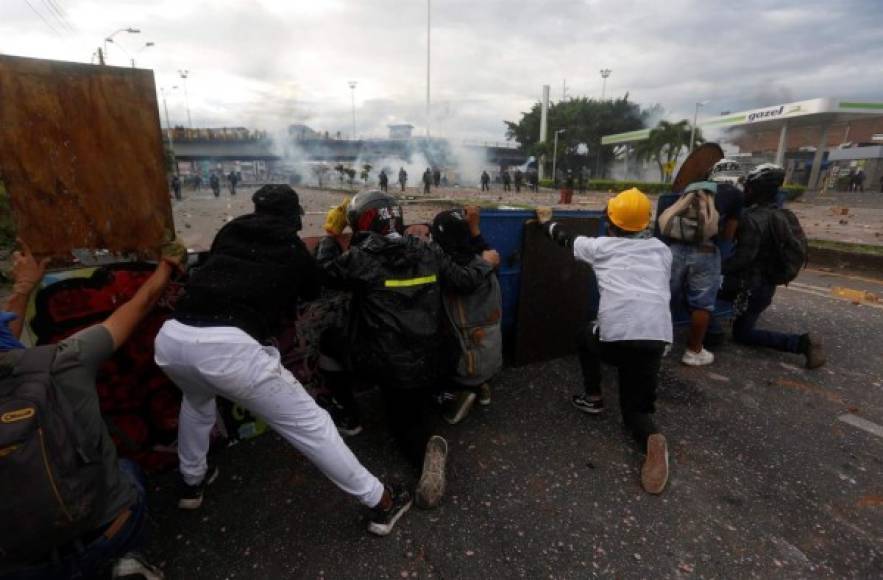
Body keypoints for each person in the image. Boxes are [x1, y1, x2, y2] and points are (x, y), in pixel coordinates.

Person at [154, 185, 412, 537]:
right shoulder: (292, 248)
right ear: (294, 217)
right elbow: (315, 288)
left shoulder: (231, 230)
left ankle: (191, 483)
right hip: (229, 349)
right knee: (313, 426)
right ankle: (381, 501)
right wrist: (333, 237)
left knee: (197, 404)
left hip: (174, 339)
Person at [0, 239, 185, 579]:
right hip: (110, 531)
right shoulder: (64, 359)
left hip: (21, 563)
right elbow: (139, 305)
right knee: (128, 468)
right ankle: (127, 558)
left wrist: (24, 289)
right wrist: (167, 265)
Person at [316, 190, 500, 509]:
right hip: (437, 357)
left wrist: (332, 236)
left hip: (391, 366)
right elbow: (466, 279)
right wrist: (487, 263)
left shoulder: (360, 259)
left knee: (401, 423)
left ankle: (423, 453)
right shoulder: (427, 250)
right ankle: (444, 395)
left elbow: (323, 274)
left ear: (363, 224)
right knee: (416, 393)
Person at [537, 188, 673, 495]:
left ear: (610, 222)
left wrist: (547, 221)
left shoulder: (600, 247)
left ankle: (594, 397)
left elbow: (565, 238)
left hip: (617, 340)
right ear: (644, 223)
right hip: (656, 338)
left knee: (586, 335)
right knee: (635, 413)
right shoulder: (662, 251)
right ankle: (652, 437)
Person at [721, 164, 826, 369]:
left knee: (740, 331)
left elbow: (743, 259)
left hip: (751, 286)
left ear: (757, 191)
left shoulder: (752, 219)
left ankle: (801, 343)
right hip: (767, 285)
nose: (745, 192)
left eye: (749, 188)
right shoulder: (782, 214)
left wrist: (715, 268)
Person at [431, 207, 503, 424]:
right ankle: (481, 387)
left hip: (466, 366)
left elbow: (460, 280)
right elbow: (488, 253)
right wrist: (475, 229)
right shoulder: (486, 260)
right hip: (491, 359)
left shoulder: (453, 272)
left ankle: (458, 396)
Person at [659, 181, 721, 366]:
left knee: (664, 297)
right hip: (705, 252)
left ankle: (661, 343)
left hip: (675, 250)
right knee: (701, 304)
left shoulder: (682, 199)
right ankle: (693, 351)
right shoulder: (723, 197)